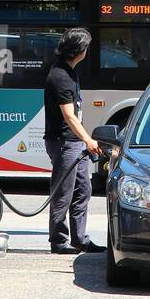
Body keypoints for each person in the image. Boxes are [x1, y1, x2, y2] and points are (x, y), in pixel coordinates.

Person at [43, 28, 104, 255]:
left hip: (73, 142)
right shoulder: (60, 76)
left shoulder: (69, 72)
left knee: (83, 189)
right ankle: (59, 241)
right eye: (86, 47)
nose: (88, 51)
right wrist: (88, 139)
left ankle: (80, 239)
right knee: (64, 192)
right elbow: (69, 116)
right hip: (64, 143)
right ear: (79, 51)